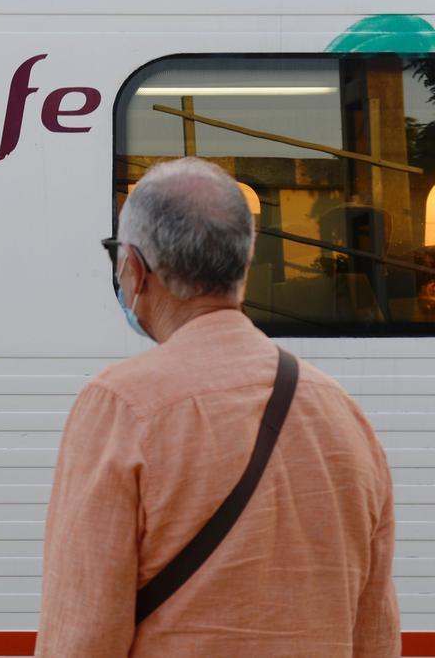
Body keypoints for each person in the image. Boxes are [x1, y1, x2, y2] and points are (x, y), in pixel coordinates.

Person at [34, 158, 399, 656]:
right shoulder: (342, 415)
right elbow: (376, 638)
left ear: (134, 269)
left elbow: (82, 638)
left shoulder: (121, 408)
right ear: (243, 265)